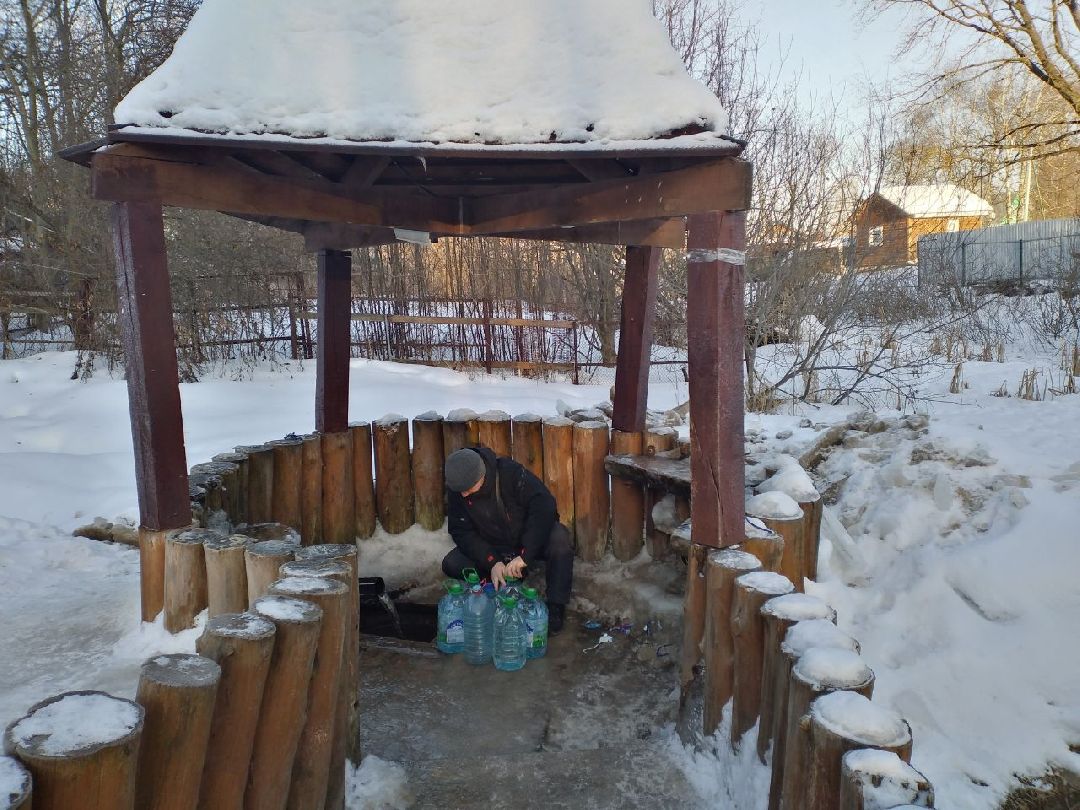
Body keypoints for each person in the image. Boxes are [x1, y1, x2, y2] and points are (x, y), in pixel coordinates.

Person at [442, 446, 573, 634]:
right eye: (460, 491)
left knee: (560, 540)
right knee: (452, 563)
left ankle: (556, 606)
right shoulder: (458, 488)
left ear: (481, 475)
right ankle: (497, 584)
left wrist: (525, 555)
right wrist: (492, 561)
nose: (464, 495)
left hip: (527, 542)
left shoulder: (510, 473)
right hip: (494, 547)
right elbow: (461, 531)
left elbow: (544, 506)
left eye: (469, 488)